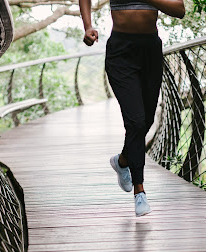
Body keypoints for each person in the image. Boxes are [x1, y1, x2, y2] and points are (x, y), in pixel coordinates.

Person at [79, 0, 185, 216]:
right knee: (135, 121)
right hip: (121, 52)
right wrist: (88, 26)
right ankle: (140, 192)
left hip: (150, 51)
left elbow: (179, 10)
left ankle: (123, 160)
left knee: (146, 121)